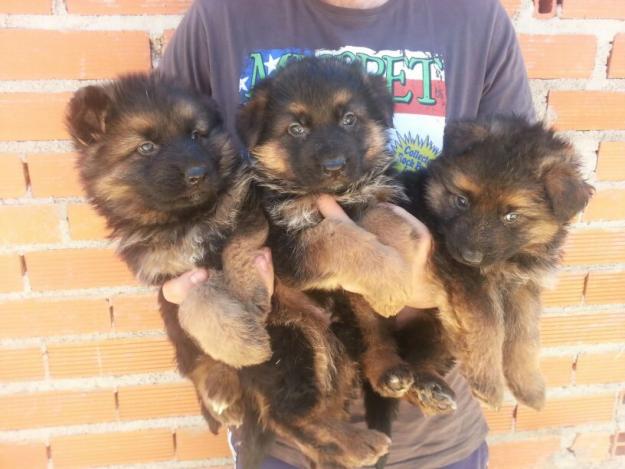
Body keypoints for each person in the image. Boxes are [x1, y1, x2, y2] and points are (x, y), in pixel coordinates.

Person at [158, 0, 534, 467]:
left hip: (437, 440)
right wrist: (180, 278)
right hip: (287, 425)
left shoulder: (477, 20)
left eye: (351, 121)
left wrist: (421, 280)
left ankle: (404, 372)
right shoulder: (219, 19)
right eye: (295, 128)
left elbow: (520, 207)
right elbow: (161, 166)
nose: (332, 157)